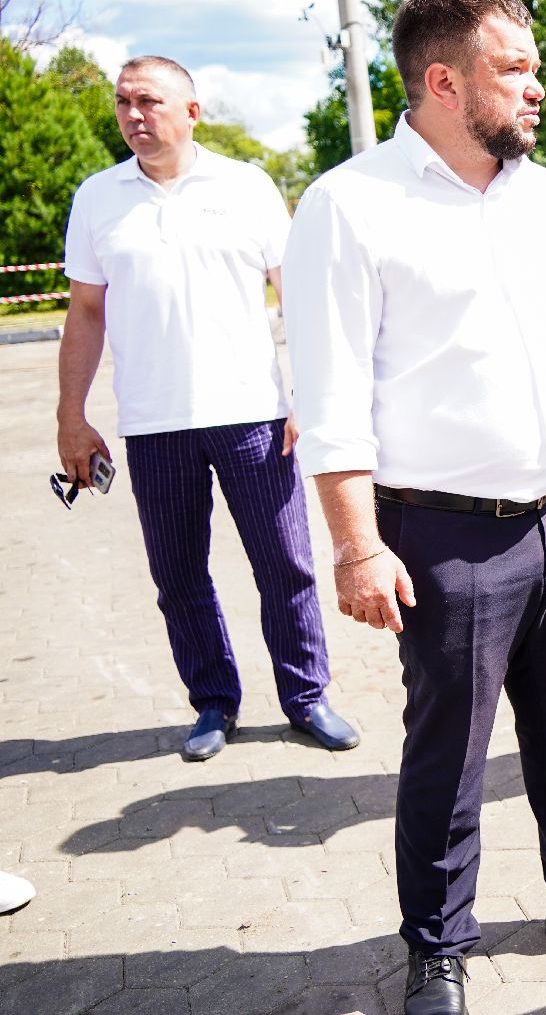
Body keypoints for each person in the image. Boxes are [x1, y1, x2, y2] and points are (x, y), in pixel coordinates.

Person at [281, 0, 546, 1015]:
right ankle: (437, 946)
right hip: (444, 537)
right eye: (515, 69)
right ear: (445, 82)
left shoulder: (543, 195)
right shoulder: (349, 205)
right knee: (448, 757)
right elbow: (327, 401)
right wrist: (358, 546)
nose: (539, 89)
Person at [58, 55, 358, 763]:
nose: (135, 115)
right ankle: (213, 702)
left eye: (150, 101)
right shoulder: (98, 199)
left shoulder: (247, 187)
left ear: (192, 111)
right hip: (153, 424)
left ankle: (306, 695)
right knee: (179, 573)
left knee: (285, 563)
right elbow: (85, 312)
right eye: (124, 103)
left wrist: (309, 394)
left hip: (253, 412)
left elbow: (297, 294)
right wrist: (71, 414)